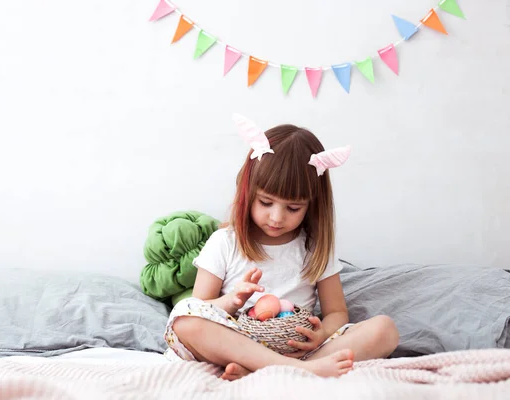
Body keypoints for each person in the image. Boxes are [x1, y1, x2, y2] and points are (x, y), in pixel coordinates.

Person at [164, 115, 399, 380]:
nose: (277, 217)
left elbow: (336, 312)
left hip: (299, 350)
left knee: (385, 329)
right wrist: (233, 300)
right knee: (185, 318)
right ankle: (289, 371)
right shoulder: (225, 242)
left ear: (312, 205)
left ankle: (269, 370)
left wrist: (321, 333)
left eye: (293, 208)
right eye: (266, 203)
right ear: (247, 193)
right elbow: (201, 307)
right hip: (237, 345)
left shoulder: (313, 247)